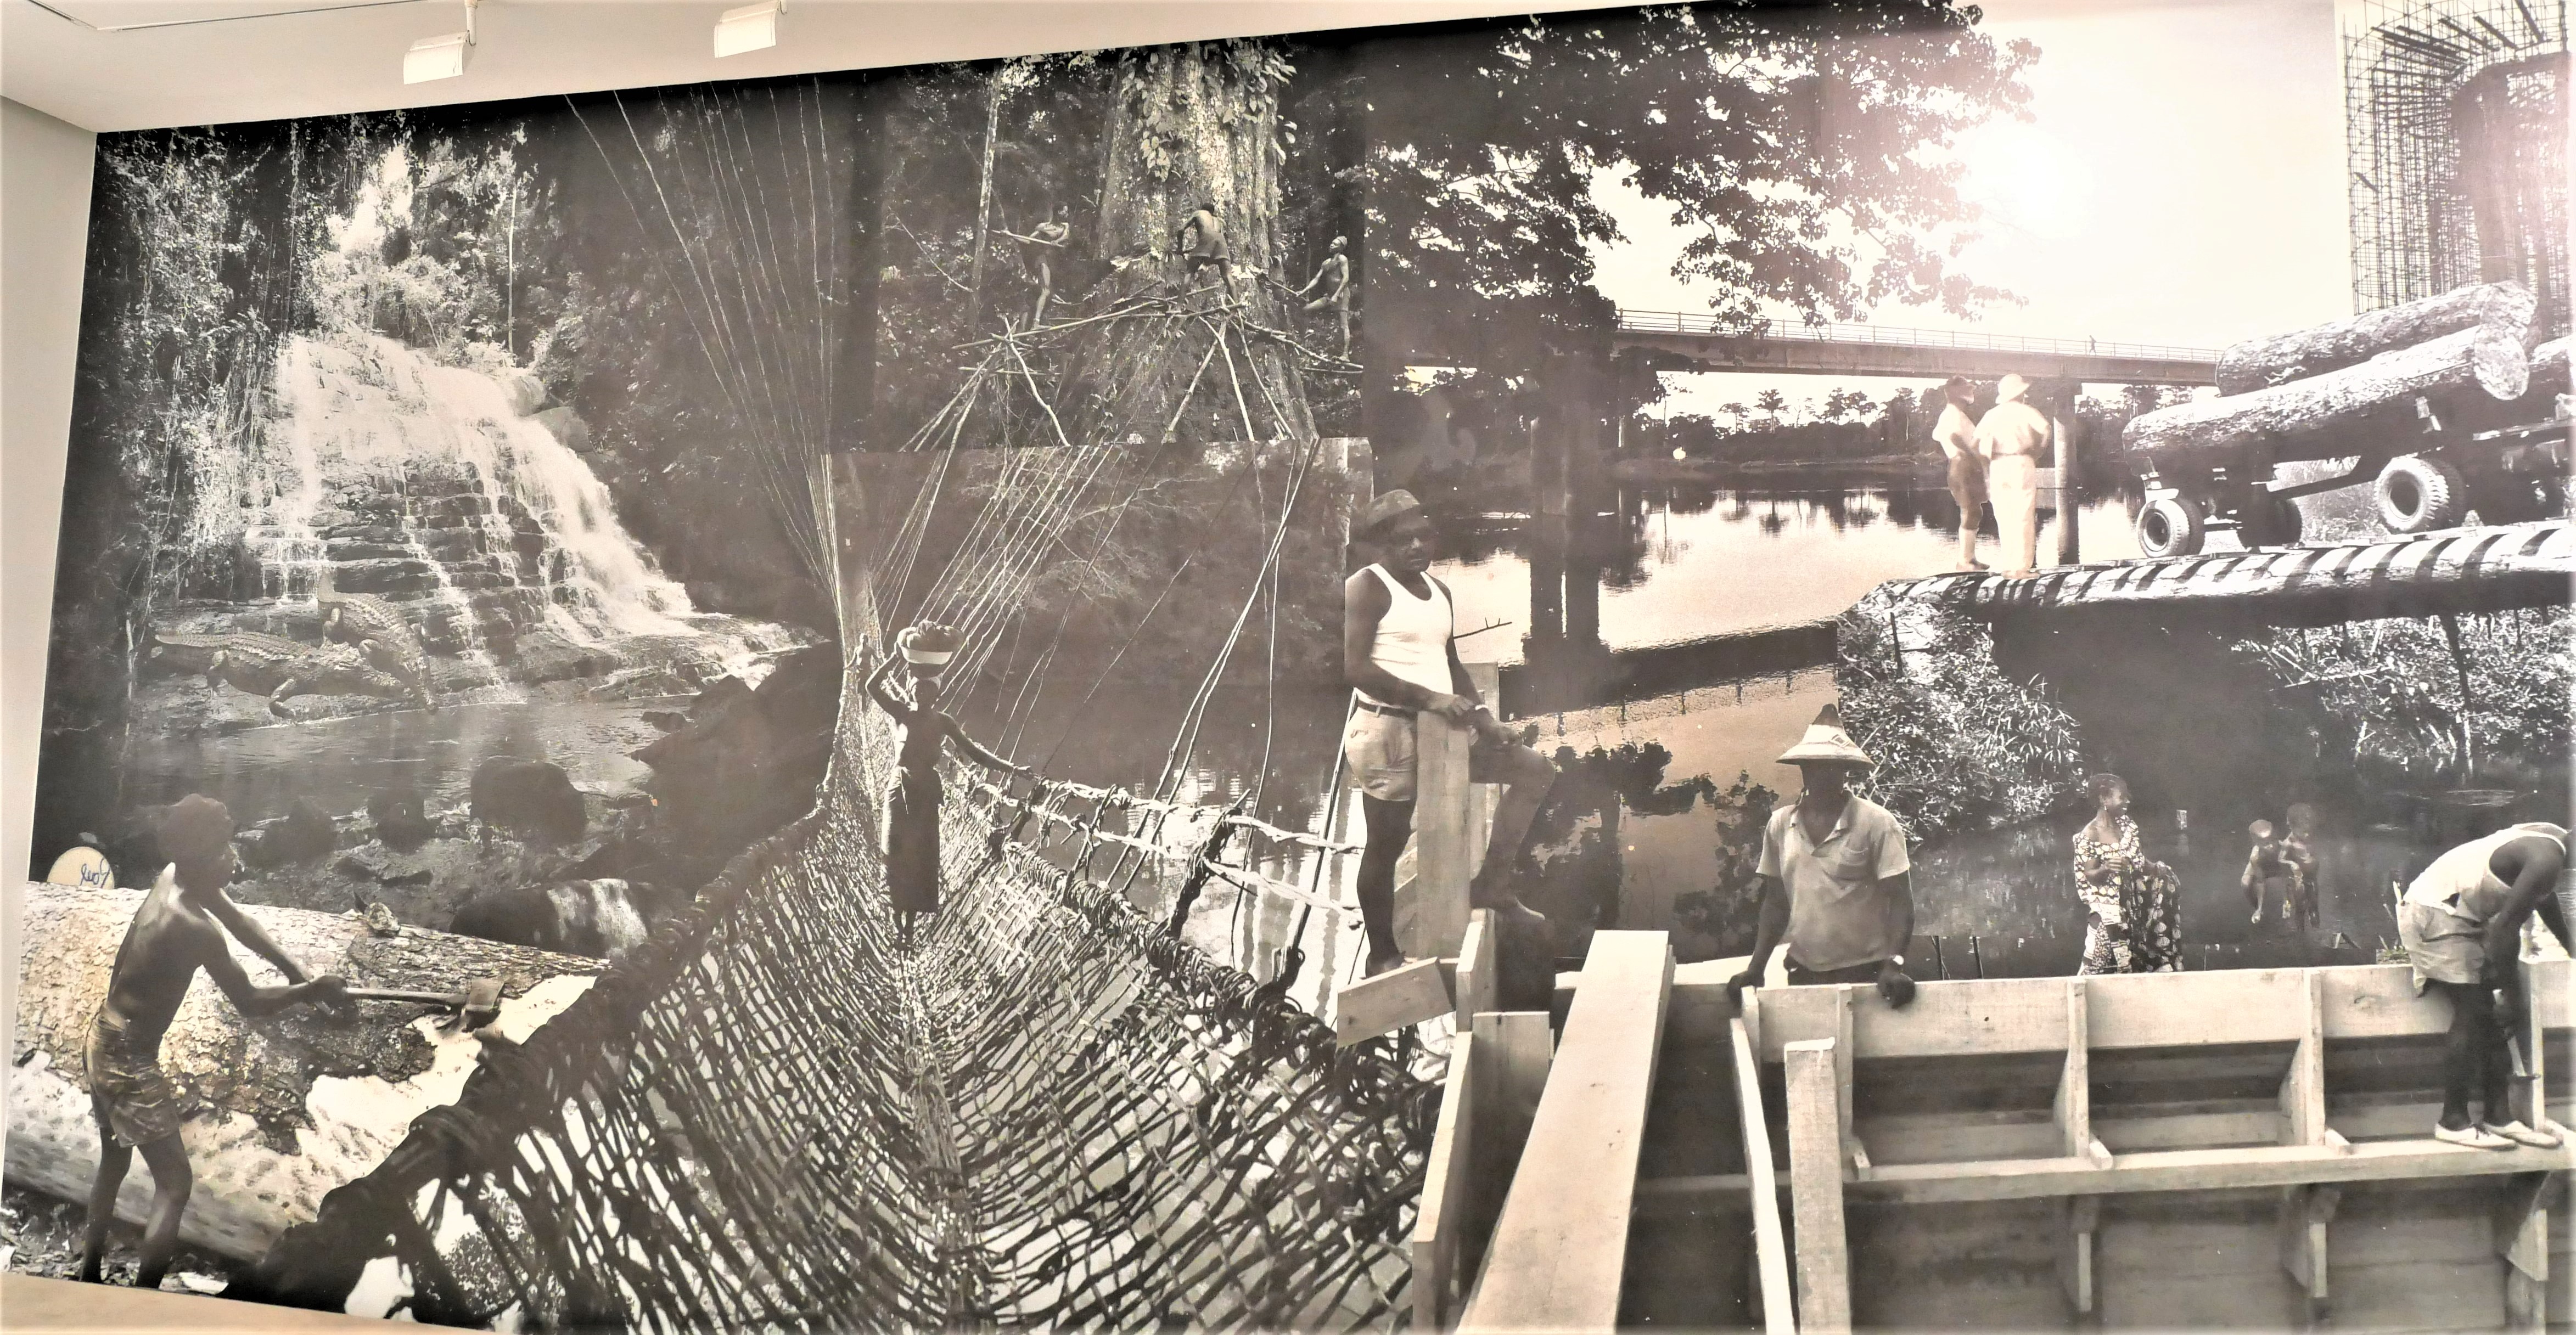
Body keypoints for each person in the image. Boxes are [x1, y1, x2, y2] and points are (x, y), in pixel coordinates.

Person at [80, 795, 350, 1289]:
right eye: (225, 850)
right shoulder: (191, 926)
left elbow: (243, 924)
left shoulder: (175, 875)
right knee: (174, 1185)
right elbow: (249, 1000)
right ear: (202, 858)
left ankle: (88, 1274)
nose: (234, 856)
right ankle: (142, 1302)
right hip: (126, 1058)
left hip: (102, 1035)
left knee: (114, 1162)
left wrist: (298, 972)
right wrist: (311, 991)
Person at [1342, 490, 1558, 978]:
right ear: (1383, 544)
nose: (1417, 546)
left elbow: (1451, 664)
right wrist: (1429, 699)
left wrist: (1484, 718)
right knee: (1385, 844)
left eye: (1424, 536)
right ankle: (1382, 955)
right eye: (1404, 540)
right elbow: (1355, 669)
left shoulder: (1439, 590)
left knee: (1534, 770)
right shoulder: (1367, 586)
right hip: (1387, 731)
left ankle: (1492, 885)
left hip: (1442, 733)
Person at [1727, 706, 1917, 1010]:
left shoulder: (1878, 823)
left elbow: (1901, 902)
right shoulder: (1780, 824)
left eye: (1832, 767)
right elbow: (1776, 903)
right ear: (1803, 769)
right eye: (1815, 766)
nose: (1823, 775)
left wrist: (1895, 964)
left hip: (1868, 971)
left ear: (1845, 771)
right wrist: (1756, 968)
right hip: (1804, 969)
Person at [2395, 821, 2569, 1149]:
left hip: (2460, 911)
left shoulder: (2551, 838)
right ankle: (2452, 1122)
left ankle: (2499, 1117)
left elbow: (2542, 897)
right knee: (2473, 1012)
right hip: (2434, 913)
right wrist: (2513, 997)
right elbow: (2504, 932)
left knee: (2488, 1014)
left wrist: (2572, 949)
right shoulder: (2547, 859)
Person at [866, 623, 1034, 948]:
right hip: (899, 789)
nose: (921, 693)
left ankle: (908, 930)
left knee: (921, 857)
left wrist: (1012, 769)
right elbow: (872, 687)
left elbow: (975, 753)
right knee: (895, 852)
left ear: (937, 695)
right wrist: (895, 659)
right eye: (917, 689)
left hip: (926, 794)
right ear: (911, 690)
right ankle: (897, 926)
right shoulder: (902, 713)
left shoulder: (943, 722)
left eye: (928, 690)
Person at [2074, 774, 2181, 973]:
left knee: (2143, 954)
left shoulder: (2127, 826)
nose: (2127, 801)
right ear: (2103, 799)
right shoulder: (2090, 834)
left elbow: (2139, 862)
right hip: (2109, 907)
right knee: (2098, 961)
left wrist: (2159, 869)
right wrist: (2106, 868)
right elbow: (2089, 875)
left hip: (2135, 904)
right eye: (2122, 797)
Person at [1974, 373, 2050, 578]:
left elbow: (1976, 442)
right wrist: (2038, 451)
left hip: (1998, 464)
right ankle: (2022, 568)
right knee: (2023, 514)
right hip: (2021, 461)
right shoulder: (2026, 411)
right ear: (2020, 393)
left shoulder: (1991, 414)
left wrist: (1986, 463)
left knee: (2004, 515)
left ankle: (2009, 566)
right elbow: (2046, 429)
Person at [1932, 376, 1987, 572]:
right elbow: (1954, 437)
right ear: (1956, 393)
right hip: (1963, 465)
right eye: (1967, 389)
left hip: (1963, 465)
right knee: (1970, 511)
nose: (1971, 392)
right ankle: (1965, 561)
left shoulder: (1954, 414)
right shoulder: (1952, 414)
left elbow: (1941, 435)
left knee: (1974, 511)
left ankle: (1969, 559)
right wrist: (1972, 457)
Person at [1009, 205, 1071, 326]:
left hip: (1055, 262)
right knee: (1046, 291)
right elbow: (1028, 240)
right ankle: (1036, 323)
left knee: (1050, 292)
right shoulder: (1043, 227)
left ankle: (1034, 322)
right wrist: (1011, 235)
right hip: (1043, 260)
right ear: (1058, 212)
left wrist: (1057, 242)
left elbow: (1066, 236)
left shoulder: (1065, 226)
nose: (1067, 214)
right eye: (1065, 212)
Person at [1297, 235, 1354, 357]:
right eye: (1332, 243)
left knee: (1343, 325)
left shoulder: (1342, 259)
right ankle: (1300, 339)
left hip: (1342, 295)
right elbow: (1316, 279)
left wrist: (1336, 295)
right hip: (1329, 295)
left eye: (1335, 244)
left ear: (1341, 248)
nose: (1331, 245)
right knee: (1305, 309)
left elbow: (1346, 278)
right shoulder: (1326, 262)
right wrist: (1304, 291)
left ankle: (1345, 355)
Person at [1173, 200, 1229, 292]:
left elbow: (1181, 230)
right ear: (1212, 212)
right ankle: (1236, 300)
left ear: (1203, 209)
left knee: (1189, 273)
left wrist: (1180, 248)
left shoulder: (1199, 213)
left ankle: (1180, 302)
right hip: (1221, 242)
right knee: (1228, 276)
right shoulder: (1219, 221)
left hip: (1207, 240)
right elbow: (1214, 241)